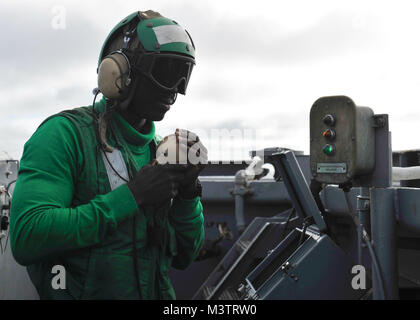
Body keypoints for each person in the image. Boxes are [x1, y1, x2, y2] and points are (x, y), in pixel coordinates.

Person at [9, 10, 207, 300]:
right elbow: (28, 236)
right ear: (120, 72)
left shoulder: (158, 150)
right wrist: (133, 195)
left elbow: (184, 257)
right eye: (166, 73)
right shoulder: (63, 135)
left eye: (183, 76)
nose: (175, 91)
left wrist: (189, 194)